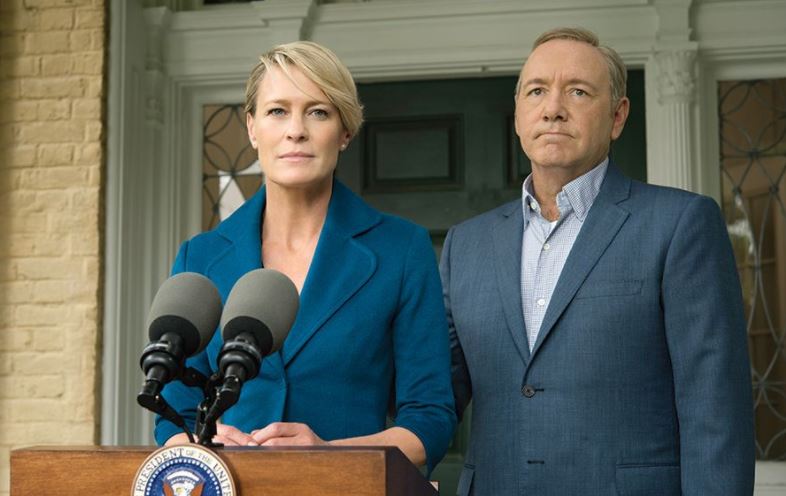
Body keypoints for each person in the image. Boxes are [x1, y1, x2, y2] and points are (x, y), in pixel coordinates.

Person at [441, 27, 755, 495]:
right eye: (536, 91)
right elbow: (432, 396)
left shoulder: (680, 224)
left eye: (578, 91)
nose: (553, 108)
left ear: (617, 116)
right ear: (518, 114)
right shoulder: (465, 244)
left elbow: (715, 409)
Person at [155, 41, 456, 474]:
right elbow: (173, 416)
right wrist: (204, 448)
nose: (296, 130)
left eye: (318, 112)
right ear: (252, 128)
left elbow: (430, 419)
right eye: (278, 111)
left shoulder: (401, 250)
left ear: (345, 131)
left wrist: (330, 455)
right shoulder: (199, 257)